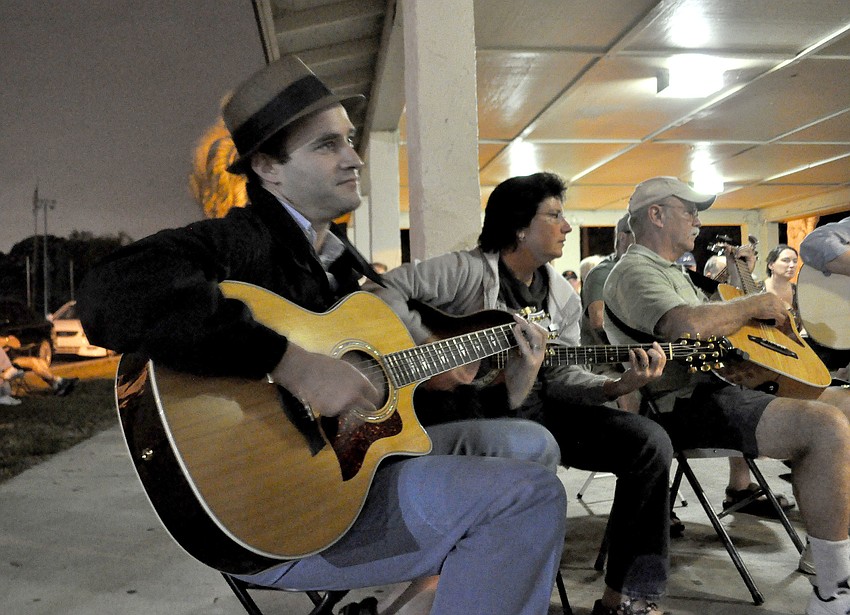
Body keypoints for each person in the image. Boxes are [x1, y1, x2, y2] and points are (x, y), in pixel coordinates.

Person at [77, 56, 568, 615]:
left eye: (351, 141)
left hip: (356, 468)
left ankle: (432, 599)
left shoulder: (338, 267)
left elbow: (387, 414)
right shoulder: (242, 244)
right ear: (267, 167)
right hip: (281, 512)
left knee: (530, 445)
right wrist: (291, 363)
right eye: (327, 145)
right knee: (528, 499)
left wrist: (500, 386)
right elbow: (110, 292)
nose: (354, 158)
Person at [366, 172, 673, 615]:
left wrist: (617, 385)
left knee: (648, 442)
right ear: (519, 226)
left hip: (540, 409)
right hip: (469, 414)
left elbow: (564, 373)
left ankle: (625, 598)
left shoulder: (561, 294)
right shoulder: (466, 271)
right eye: (555, 215)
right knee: (528, 441)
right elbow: (383, 290)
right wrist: (432, 350)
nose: (567, 227)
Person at [603, 176, 850, 615]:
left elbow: (716, 332)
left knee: (846, 404)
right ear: (656, 216)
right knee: (825, 425)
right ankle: (833, 590)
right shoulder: (634, 271)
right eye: (690, 211)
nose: (699, 221)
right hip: (681, 405)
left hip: (717, 392)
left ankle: (830, 544)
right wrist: (752, 306)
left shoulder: (673, 272)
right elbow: (686, 326)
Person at [580, 213, 641, 413]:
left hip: (630, 360)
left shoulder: (642, 273)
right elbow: (599, 322)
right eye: (639, 235)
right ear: (623, 238)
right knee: (629, 392)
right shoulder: (603, 273)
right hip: (604, 364)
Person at [0, 336, 77, 398]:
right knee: (33, 362)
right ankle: (60, 381)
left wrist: (6, 342)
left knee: (39, 362)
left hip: (9, 364)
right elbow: (11, 342)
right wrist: (7, 340)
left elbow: (16, 343)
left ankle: (57, 385)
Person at [763, 244, 801, 321]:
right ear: (771, 265)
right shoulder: (757, 290)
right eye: (786, 260)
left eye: (795, 261)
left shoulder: (800, 292)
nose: (792, 265)